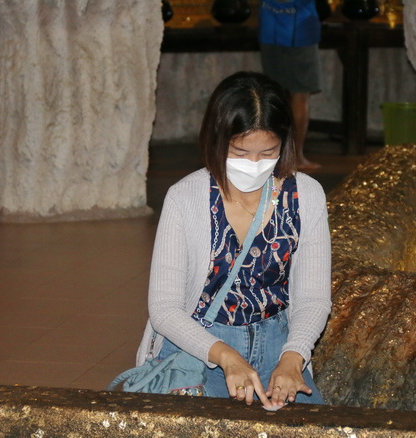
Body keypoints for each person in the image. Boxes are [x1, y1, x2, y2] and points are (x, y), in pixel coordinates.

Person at [134, 71, 331, 409]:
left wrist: (293, 356)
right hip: (200, 350)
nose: (254, 164)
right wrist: (225, 356)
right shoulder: (186, 197)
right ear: (217, 140)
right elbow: (164, 309)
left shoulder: (306, 195)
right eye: (240, 152)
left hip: (277, 346)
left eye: (268, 152)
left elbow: (313, 298)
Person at [258, 0, 323, 171]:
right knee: (300, 95)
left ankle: (270, 154)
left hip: (270, 27)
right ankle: (295, 157)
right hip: (300, 29)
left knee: (272, 96)